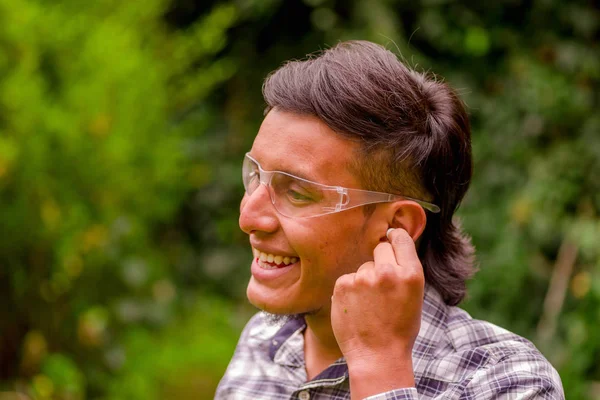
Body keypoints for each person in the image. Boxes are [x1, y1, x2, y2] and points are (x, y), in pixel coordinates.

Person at [215, 40, 564, 399]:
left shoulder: (508, 382)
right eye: (255, 174)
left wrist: (379, 367)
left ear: (397, 226)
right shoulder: (262, 343)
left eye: (298, 192)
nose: (249, 217)